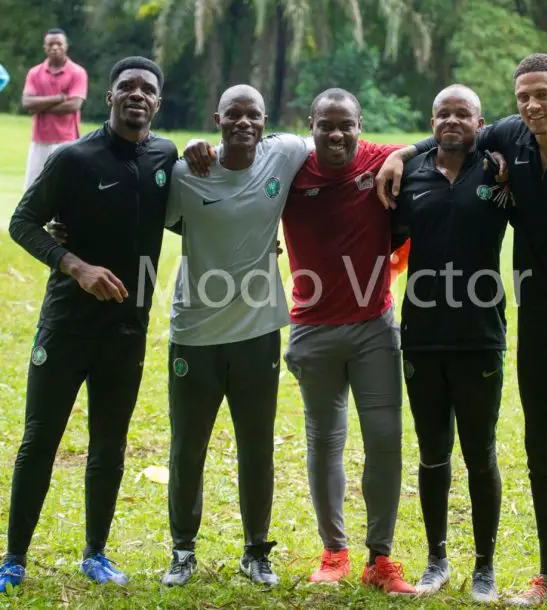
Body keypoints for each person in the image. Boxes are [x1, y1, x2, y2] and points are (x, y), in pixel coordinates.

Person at [376, 54, 547, 610]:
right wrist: (403, 153)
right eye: (523, 96)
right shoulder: (512, 136)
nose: (532, 105)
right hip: (539, 320)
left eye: (543, 94)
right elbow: (453, 135)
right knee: (542, 447)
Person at [3, 56, 177, 592]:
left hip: (127, 330)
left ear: (157, 102)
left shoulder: (165, 156)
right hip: (67, 326)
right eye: (127, 87)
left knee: (110, 444)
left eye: (147, 89)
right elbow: (22, 223)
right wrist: (74, 266)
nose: (137, 96)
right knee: (40, 440)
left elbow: (194, 211)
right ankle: (13, 559)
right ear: (109, 96)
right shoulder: (73, 158)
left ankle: (96, 553)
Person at [161, 85, 313, 589]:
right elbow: (148, 217)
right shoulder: (189, 172)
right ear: (217, 119)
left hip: (257, 332)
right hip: (196, 331)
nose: (243, 123)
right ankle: (183, 550)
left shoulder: (284, 154)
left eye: (252, 115)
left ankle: (256, 551)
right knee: (187, 447)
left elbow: (343, 145)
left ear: (264, 120)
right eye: (233, 115)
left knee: (257, 444)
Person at [282, 88, 416, 594]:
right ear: (310, 125)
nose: (336, 134)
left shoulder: (380, 158)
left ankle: (379, 559)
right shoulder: (291, 169)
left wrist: (401, 154)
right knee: (325, 442)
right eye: (326, 125)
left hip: (374, 328)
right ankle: (334, 551)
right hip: (312, 329)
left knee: (384, 441)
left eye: (347, 125)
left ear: (360, 125)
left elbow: (432, 144)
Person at [390, 85, 509, 602]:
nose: (453, 121)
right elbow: (382, 239)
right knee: (432, 451)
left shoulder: (502, 170)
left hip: (481, 336)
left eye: (464, 113)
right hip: (422, 336)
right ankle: (436, 559)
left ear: (480, 122)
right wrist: (401, 152)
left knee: (480, 454)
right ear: (431, 119)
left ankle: (484, 567)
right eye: (444, 113)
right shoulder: (409, 175)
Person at [22, 28, 88, 189]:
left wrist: (40, 105)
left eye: (59, 43)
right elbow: (27, 103)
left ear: (66, 46)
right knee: (33, 189)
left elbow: (74, 105)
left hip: (66, 141)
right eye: (50, 44)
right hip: (39, 141)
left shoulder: (77, 72)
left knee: (64, 189)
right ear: (45, 47)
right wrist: (59, 98)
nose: (55, 47)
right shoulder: (34, 73)